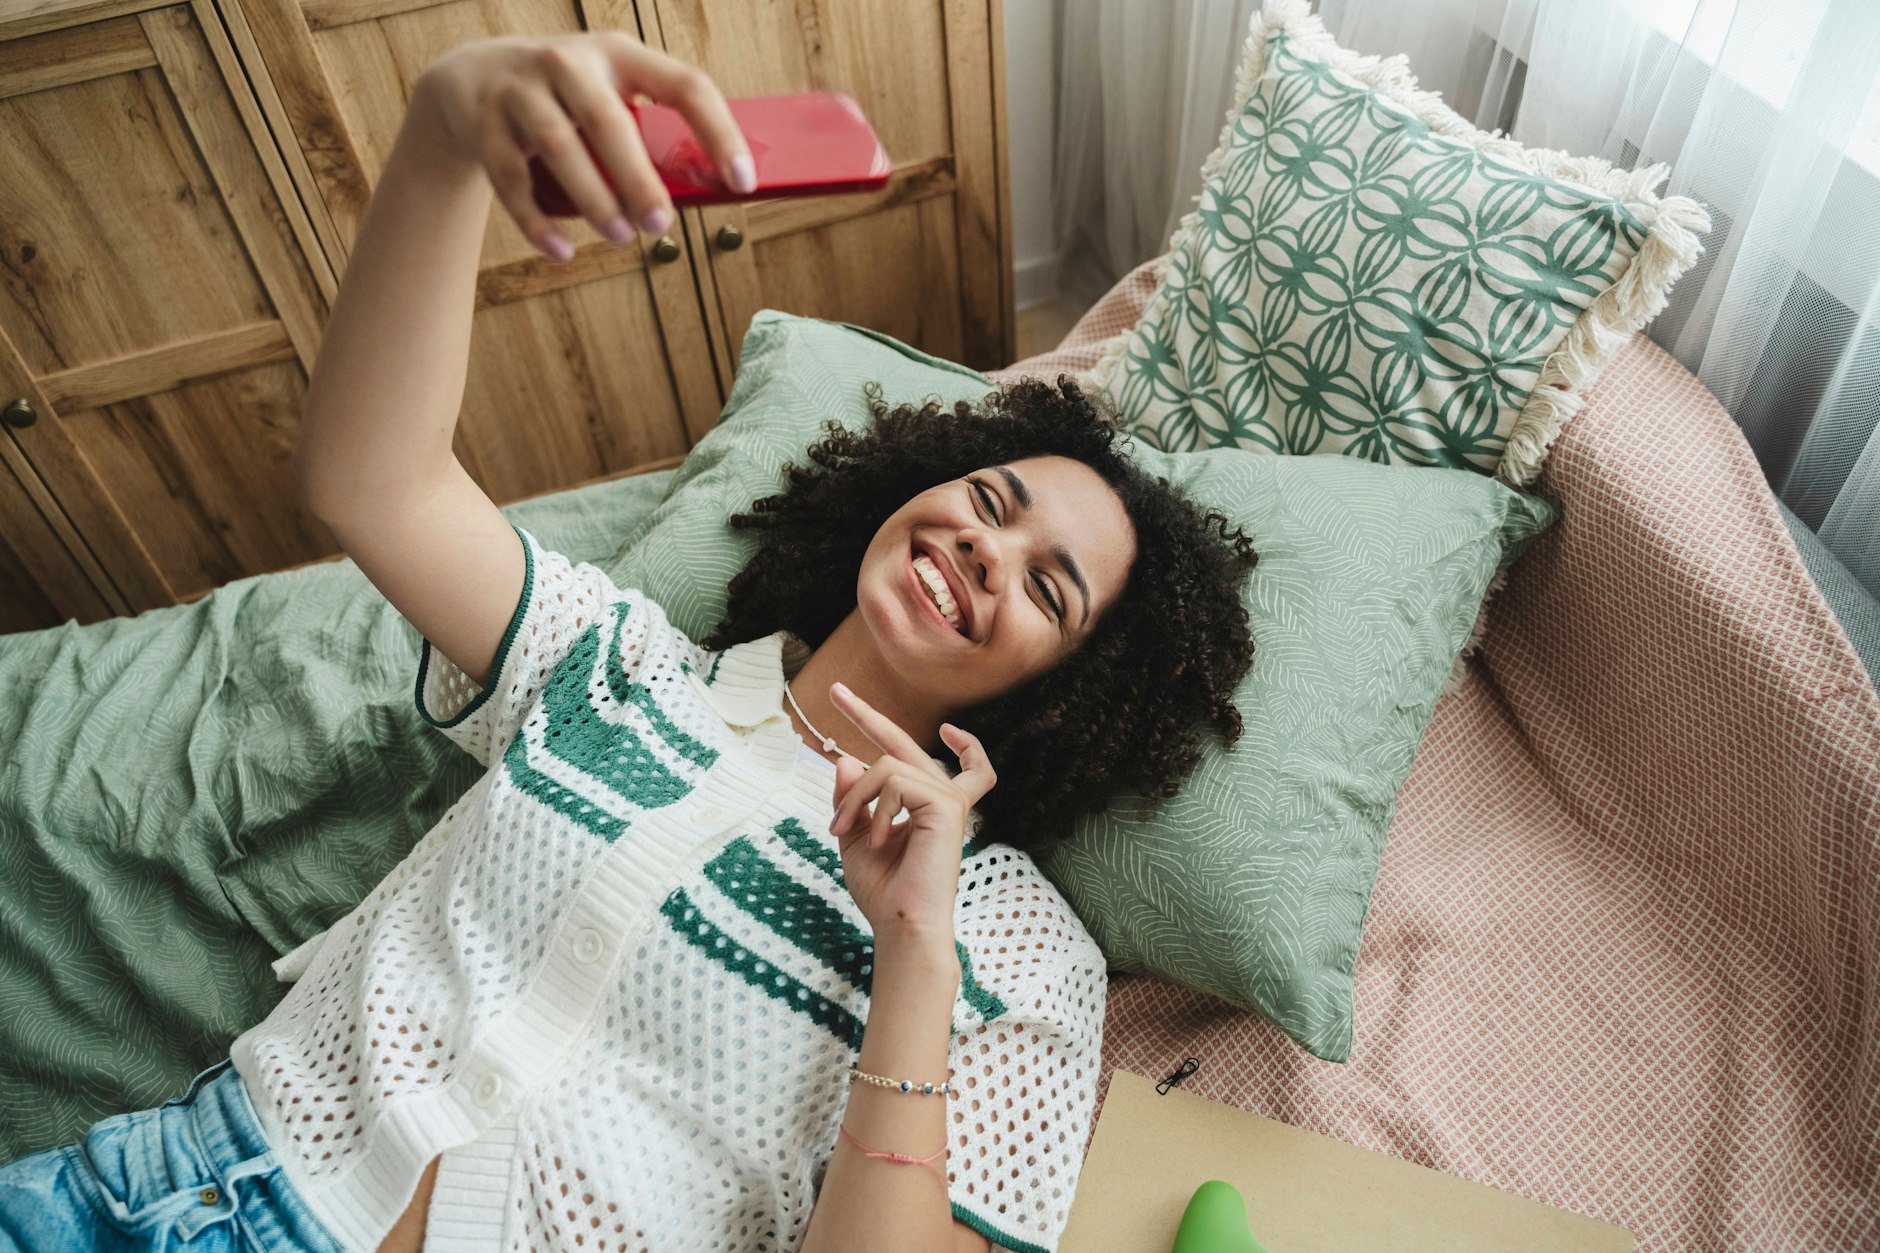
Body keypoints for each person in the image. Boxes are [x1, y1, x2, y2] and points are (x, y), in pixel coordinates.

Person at [0, 31, 1258, 1253]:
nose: (988, 548)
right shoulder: (612, 663)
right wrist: (443, 140)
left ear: (1068, 684)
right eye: (988, 500)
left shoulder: (1020, 949)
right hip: (160, 1191)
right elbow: (370, 484)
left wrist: (915, 954)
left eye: (1049, 587)